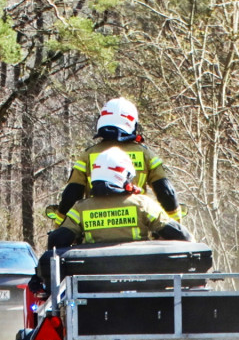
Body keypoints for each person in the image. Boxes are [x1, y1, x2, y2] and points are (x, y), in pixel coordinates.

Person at [50, 97, 182, 223]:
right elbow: (166, 192)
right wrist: (175, 223)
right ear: (133, 123)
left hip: (94, 228)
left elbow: (71, 195)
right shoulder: (146, 154)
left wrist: (60, 225)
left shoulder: (88, 155)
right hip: (138, 227)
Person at [47, 146, 190, 249]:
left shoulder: (81, 208)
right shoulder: (142, 204)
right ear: (125, 175)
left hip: (93, 277)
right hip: (140, 275)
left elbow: (57, 240)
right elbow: (180, 235)